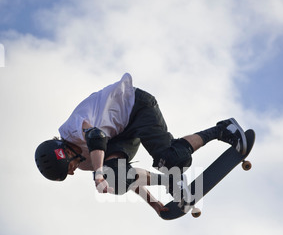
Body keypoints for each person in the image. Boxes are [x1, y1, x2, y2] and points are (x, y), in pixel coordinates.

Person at [35, 73, 247, 214]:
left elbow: (96, 137)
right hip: (120, 136)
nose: (72, 172)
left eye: (67, 169)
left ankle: (222, 129)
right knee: (114, 179)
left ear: (62, 154)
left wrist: (98, 172)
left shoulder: (72, 128)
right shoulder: (83, 162)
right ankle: (170, 182)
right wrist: (153, 202)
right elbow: (124, 174)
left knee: (173, 160)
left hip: (135, 106)